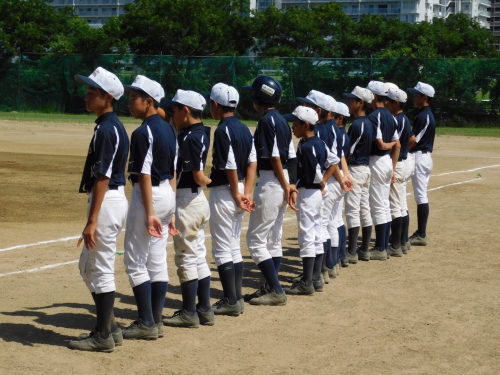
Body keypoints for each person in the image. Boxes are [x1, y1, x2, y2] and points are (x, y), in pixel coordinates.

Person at [69, 67, 129, 352]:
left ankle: (103, 335)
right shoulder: (110, 125)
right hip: (108, 201)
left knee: (100, 268)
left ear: (107, 97)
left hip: (107, 201)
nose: (86, 96)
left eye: (92, 93)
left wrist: (92, 220)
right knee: (87, 267)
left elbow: (102, 176)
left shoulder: (107, 129)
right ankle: (111, 327)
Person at [121, 76, 178, 339]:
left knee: (134, 260)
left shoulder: (143, 132)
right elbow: (174, 171)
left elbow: (143, 173)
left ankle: (146, 322)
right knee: (156, 260)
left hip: (150, 196)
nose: (129, 103)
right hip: (167, 193)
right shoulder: (168, 128)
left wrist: (150, 211)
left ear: (149, 102)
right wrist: (172, 209)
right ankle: (156, 321)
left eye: (134, 98)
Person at [160, 89, 213, 327]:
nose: (171, 114)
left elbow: (199, 176)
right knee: (198, 255)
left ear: (186, 111)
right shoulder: (198, 131)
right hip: (197, 201)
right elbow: (167, 117)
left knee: (185, 257)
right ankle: (204, 309)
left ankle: (189, 312)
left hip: (187, 200)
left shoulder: (190, 138)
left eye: (175, 110)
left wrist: (211, 181)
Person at [205, 83, 259, 313]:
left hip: (226, 191)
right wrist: (247, 192)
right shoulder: (245, 128)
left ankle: (230, 301)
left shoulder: (222, 130)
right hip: (239, 190)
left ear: (215, 105)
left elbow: (229, 163)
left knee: (221, 248)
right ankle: (235, 298)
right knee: (233, 245)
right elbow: (252, 162)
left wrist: (237, 194)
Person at [243, 76, 296, 305]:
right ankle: (269, 287)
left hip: (271, 183)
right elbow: (291, 157)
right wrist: (291, 185)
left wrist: (286, 186)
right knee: (273, 239)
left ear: (260, 97)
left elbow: (274, 155)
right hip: (282, 181)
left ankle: (275, 290)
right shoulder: (283, 120)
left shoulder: (267, 121)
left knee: (255, 239)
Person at [284, 106, 331, 296]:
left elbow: (314, 174)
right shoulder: (318, 142)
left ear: (305, 125)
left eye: (295, 123)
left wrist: (314, 182)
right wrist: (323, 183)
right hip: (316, 195)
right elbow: (332, 161)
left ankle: (306, 282)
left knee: (307, 236)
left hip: (309, 193)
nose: (292, 127)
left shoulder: (309, 146)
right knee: (317, 233)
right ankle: (316, 278)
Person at [366, 81, 400, 261]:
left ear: (374, 96)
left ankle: (380, 248)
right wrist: (392, 169)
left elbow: (380, 143)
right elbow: (398, 145)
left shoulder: (374, 116)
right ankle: (383, 245)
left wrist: (389, 146)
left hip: (377, 160)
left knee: (378, 205)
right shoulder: (391, 117)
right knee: (384, 205)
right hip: (387, 161)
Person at [343, 87, 374, 262]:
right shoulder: (369, 122)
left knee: (353, 210)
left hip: (355, 169)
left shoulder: (357, 125)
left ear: (360, 103)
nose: (349, 103)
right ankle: (364, 250)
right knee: (364, 208)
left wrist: (342, 171)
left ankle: (352, 252)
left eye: (352, 100)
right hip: (365, 169)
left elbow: (348, 152)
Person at [407, 82, 436, 246]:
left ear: (424, 97)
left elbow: (413, 141)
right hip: (425, 157)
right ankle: (421, 233)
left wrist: (402, 152)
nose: (414, 97)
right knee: (421, 195)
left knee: (420, 196)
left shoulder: (423, 116)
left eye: (416, 94)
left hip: (419, 157)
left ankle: (421, 234)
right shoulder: (427, 114)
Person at [386, 87, 412, 256]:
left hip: (398, 162)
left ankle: (395, 245)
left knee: (395, 206)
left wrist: (392, 169)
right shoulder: (404, 119)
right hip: (404, 161)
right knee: (401, 205)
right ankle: (402, 242)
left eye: (388, 101)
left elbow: (396, 144)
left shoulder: (397, 120)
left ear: (396, 103)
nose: (386, 103)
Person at [333, 102, 351, 268]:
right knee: (338, 219)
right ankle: (342, 255)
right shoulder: (342, 133)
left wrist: (342, 177)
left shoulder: (337, 134)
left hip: (336, 177)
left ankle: (338, 256)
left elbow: (338, 158)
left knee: (334, 219)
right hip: (341, 176)